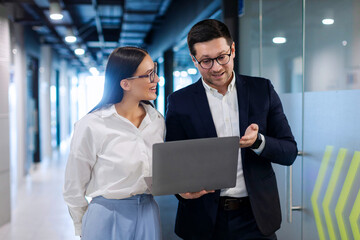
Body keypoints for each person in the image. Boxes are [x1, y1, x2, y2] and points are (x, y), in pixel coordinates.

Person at [165, 19, 298, 240]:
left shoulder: (261, 90)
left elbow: (289, 151)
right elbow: (172, 164)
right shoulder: (180, 102)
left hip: (256, 218)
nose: (216, 67)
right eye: (206, 61)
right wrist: (180, 190)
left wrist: (258, 142)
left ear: (233, 50)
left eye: (221, 57)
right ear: (194, 60)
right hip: (203, 219)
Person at [63, 46, 165, 240]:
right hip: (106, 216)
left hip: (148, 212)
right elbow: (73, 188)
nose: (157, 79)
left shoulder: (157, 120)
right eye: (149, 74)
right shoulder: (92, 125)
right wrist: (83, 226)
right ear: (125, 84)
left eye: (155, 71)